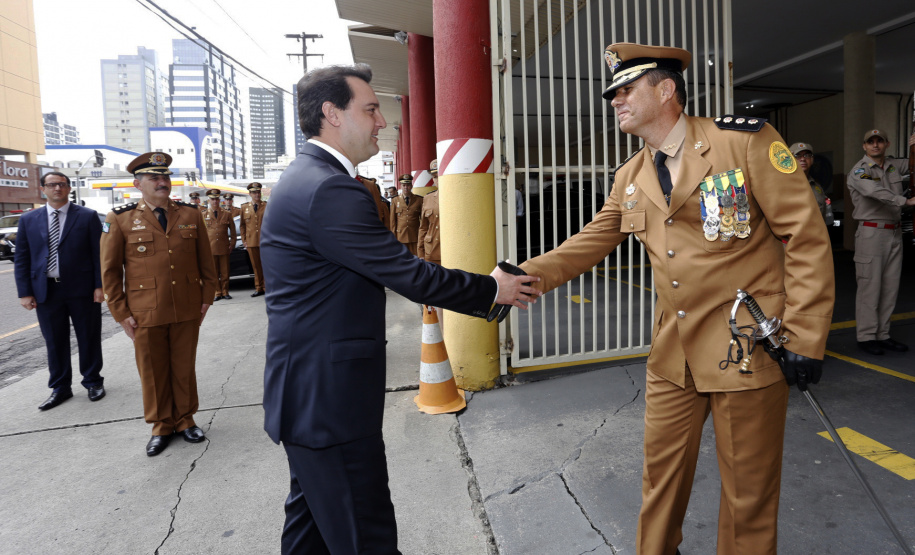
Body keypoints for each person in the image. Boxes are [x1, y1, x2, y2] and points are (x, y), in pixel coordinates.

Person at [519, 43, 834, 555]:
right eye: (612, 93)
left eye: (626, 90)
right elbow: (591, 241)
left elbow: (806, 236)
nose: (615, 100)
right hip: (673, 354)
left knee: (747, 497)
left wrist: (807, 333)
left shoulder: (742, 144)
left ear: (666, 90)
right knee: (659, 484)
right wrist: (520, 277)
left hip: (745, 347)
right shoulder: (630, 176)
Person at [260, 63, 540, 555]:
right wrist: (491, 289)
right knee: (365, 535)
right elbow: (405, 272)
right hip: (329, 405)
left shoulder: (308, 177)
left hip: (307, 397)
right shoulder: (329, 188)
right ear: (331, 114)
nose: (381, 123)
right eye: (370, 110)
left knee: (311, 532)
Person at [100, 152, 218, 456]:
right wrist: (120, 313)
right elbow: (111, 272)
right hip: (144, 310)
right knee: (152, 370)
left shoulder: (191, 214)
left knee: (183, 366)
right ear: (138, 184)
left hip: (187, 306)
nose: (162, 182)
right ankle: (161, 425)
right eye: (154, 178)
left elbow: (206, 262)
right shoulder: (120, 218)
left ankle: (186, 420)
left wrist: (206, 299)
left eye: (165, 177)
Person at [14, 171, 105, 410]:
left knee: (89, 335)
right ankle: (60, 387)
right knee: (54, 341)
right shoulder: (28, 219)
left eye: (62, 184)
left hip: (82, 289)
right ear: (42, 188)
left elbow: (99, 255)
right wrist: (25, 291)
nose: (58, 188)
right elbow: (22, 257)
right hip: (46, 291)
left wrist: (99, 286)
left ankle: (93, 381)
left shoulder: (87, 217)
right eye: (52, 185)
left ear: (69, 188)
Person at [846, 129, 915, 355]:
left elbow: (912, 164)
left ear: (887, 144)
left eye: (880, 141)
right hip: (871, 234)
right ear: (864, 146)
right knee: (870, 288)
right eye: (870, 142)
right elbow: (874, 191)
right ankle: (866, 337)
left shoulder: (894, 166)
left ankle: (883, 334)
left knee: (890, 288)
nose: (875, 145)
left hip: (894, 234)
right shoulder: (859, 171)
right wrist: (905, 201)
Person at [204, 188, 237, 301]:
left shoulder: (226, 214)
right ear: (209, 201)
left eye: (217, 199)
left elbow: (233, 232)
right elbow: (201, 234)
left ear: (220, 201)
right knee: (214, 273)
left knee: (225, 272)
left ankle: (225, 291)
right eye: (213, 200)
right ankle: (217, 292)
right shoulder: (203, 215)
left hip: (224, 248)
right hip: (211, 248)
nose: (215, 202)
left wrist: (232, 244)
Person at [789, 142, 833, 225]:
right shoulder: (782, 184)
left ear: (812, 160)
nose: (802, 159)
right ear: (790, 159)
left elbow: (824, 219)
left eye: (807, 155)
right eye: (797, 156)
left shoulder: (817, 187)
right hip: (793, 236)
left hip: (815, 235)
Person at [240, 182, 267, 297]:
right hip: (251, 242)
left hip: (264, 241)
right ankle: (258, 287)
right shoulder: (244, 207)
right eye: (254, 192)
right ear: (250, 194)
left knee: (265, 265)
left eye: (258, 192)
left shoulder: (266, 205)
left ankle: (267, 287)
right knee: (255, 266)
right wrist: (244, 240)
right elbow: (242, 225)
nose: (257, 195)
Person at [388, 173, 423, 255]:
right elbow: (392, 221)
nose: (406, 187)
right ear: (400, 186)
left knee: (416, 257)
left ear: (411, 186)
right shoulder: (395, 200)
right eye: (404, 185)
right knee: (402, 258)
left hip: (415, 235)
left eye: (408, 185)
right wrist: (393, 237)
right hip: (400, 235)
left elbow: (423, 219)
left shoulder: (419, 200)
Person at [417, 159, 440, 265]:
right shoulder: (427, 198)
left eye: (439, 176)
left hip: (451, 250)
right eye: (434, 177)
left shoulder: (455, 197)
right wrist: (420, 253)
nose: (437, 180)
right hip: (431, 250)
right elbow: (423, 228)